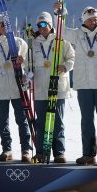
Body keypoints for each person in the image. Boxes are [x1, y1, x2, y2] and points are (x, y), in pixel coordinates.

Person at [55, 2, 97, 166]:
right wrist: (59, 14)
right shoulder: (77, 34)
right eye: (90, 19)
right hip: (83, 84)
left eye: (95, 19)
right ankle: (89, 154)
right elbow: (61, 32)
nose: (93, 21)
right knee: (86, 120)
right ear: (84, 20)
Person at [30, 11, 75, 163]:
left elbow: (72, 57)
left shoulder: (61, 40)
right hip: (40, 88)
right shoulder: (33, 43)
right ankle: (41, 152)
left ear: (50, 25)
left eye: (44, 24)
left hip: (58, 87)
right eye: (39, 25)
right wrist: (27, 74)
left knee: (57, 122)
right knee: (41, 122)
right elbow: (29, 64)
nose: (42, 28)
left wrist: (66, 66)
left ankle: (59, 152)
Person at [0, 19, 32, 161]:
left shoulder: (19, 42)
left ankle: (26, 149)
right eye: (0, 25)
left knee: (22, 119)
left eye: (5, 25)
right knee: (3, 121)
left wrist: (23, 62)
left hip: (17, 86)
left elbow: (29, 61)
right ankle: (7, 149)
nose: (3, 27)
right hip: (1, 88)